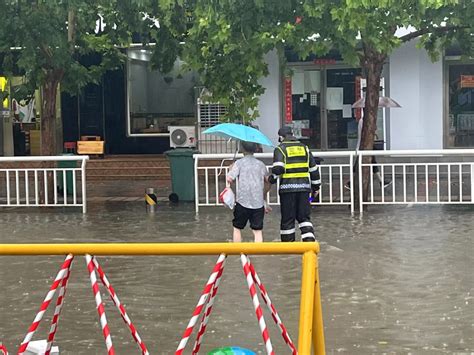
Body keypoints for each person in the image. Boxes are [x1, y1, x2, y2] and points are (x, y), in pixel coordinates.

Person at [268, 126, 320, 242]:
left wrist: (271, 179)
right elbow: (314, 170)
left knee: (288, 219)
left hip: (287, 190)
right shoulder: (305, 148)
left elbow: (278, 169)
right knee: (304, 218)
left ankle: (288, 248)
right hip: (304, 189)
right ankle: (309, 245)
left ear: (281, 137)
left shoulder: (280, 149)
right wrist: (316, 187)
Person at [226, 141, 269, 243]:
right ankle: (258, 252)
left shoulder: (239, 163)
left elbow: (229, 179)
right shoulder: (261, 164)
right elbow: (267, 180)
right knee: (257, 230)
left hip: (242, 201)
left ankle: (238, 250)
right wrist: (264, 197)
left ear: (242, 149)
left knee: (237, 227)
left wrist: (230, 169)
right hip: (258, 203)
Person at [345, 117, 392, 190]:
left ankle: (351, 183)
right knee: (365, 164)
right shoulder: (363, 121)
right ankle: (381, 181)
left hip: (366, 146)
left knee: (369, 163)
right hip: (364, 146)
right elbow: (365, 133)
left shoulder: (363, 121)